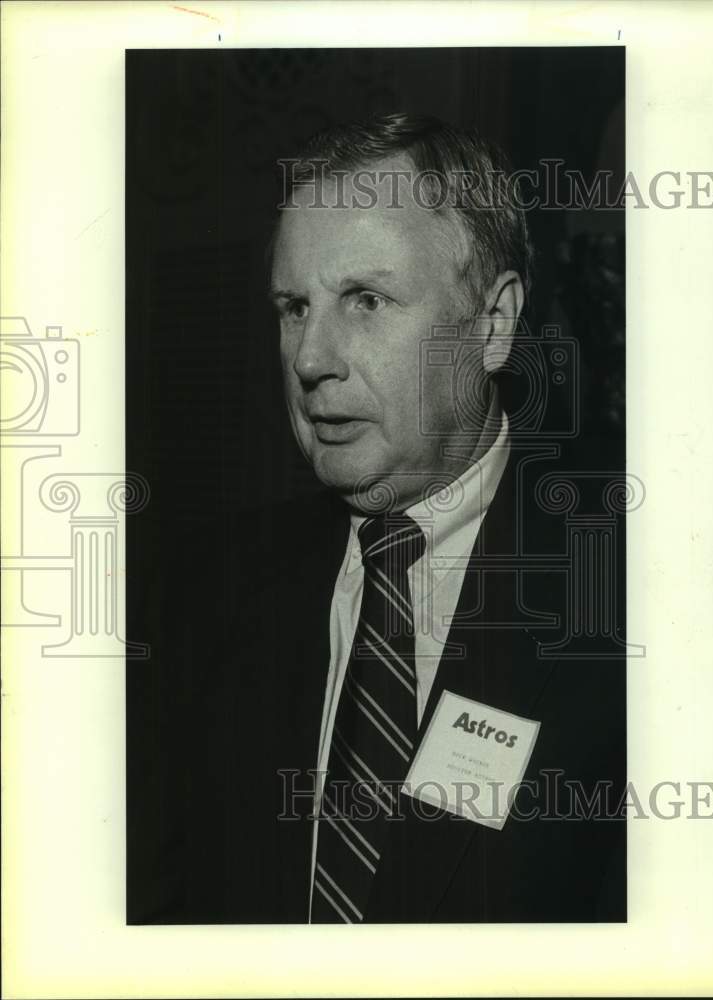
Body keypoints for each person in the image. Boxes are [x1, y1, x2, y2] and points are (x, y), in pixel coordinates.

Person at [127, 112, 626, 925]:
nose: (310, 358)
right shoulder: (199, 592)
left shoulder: (636, 590)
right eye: (294, 306)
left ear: (492, 324)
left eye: (365, 299)